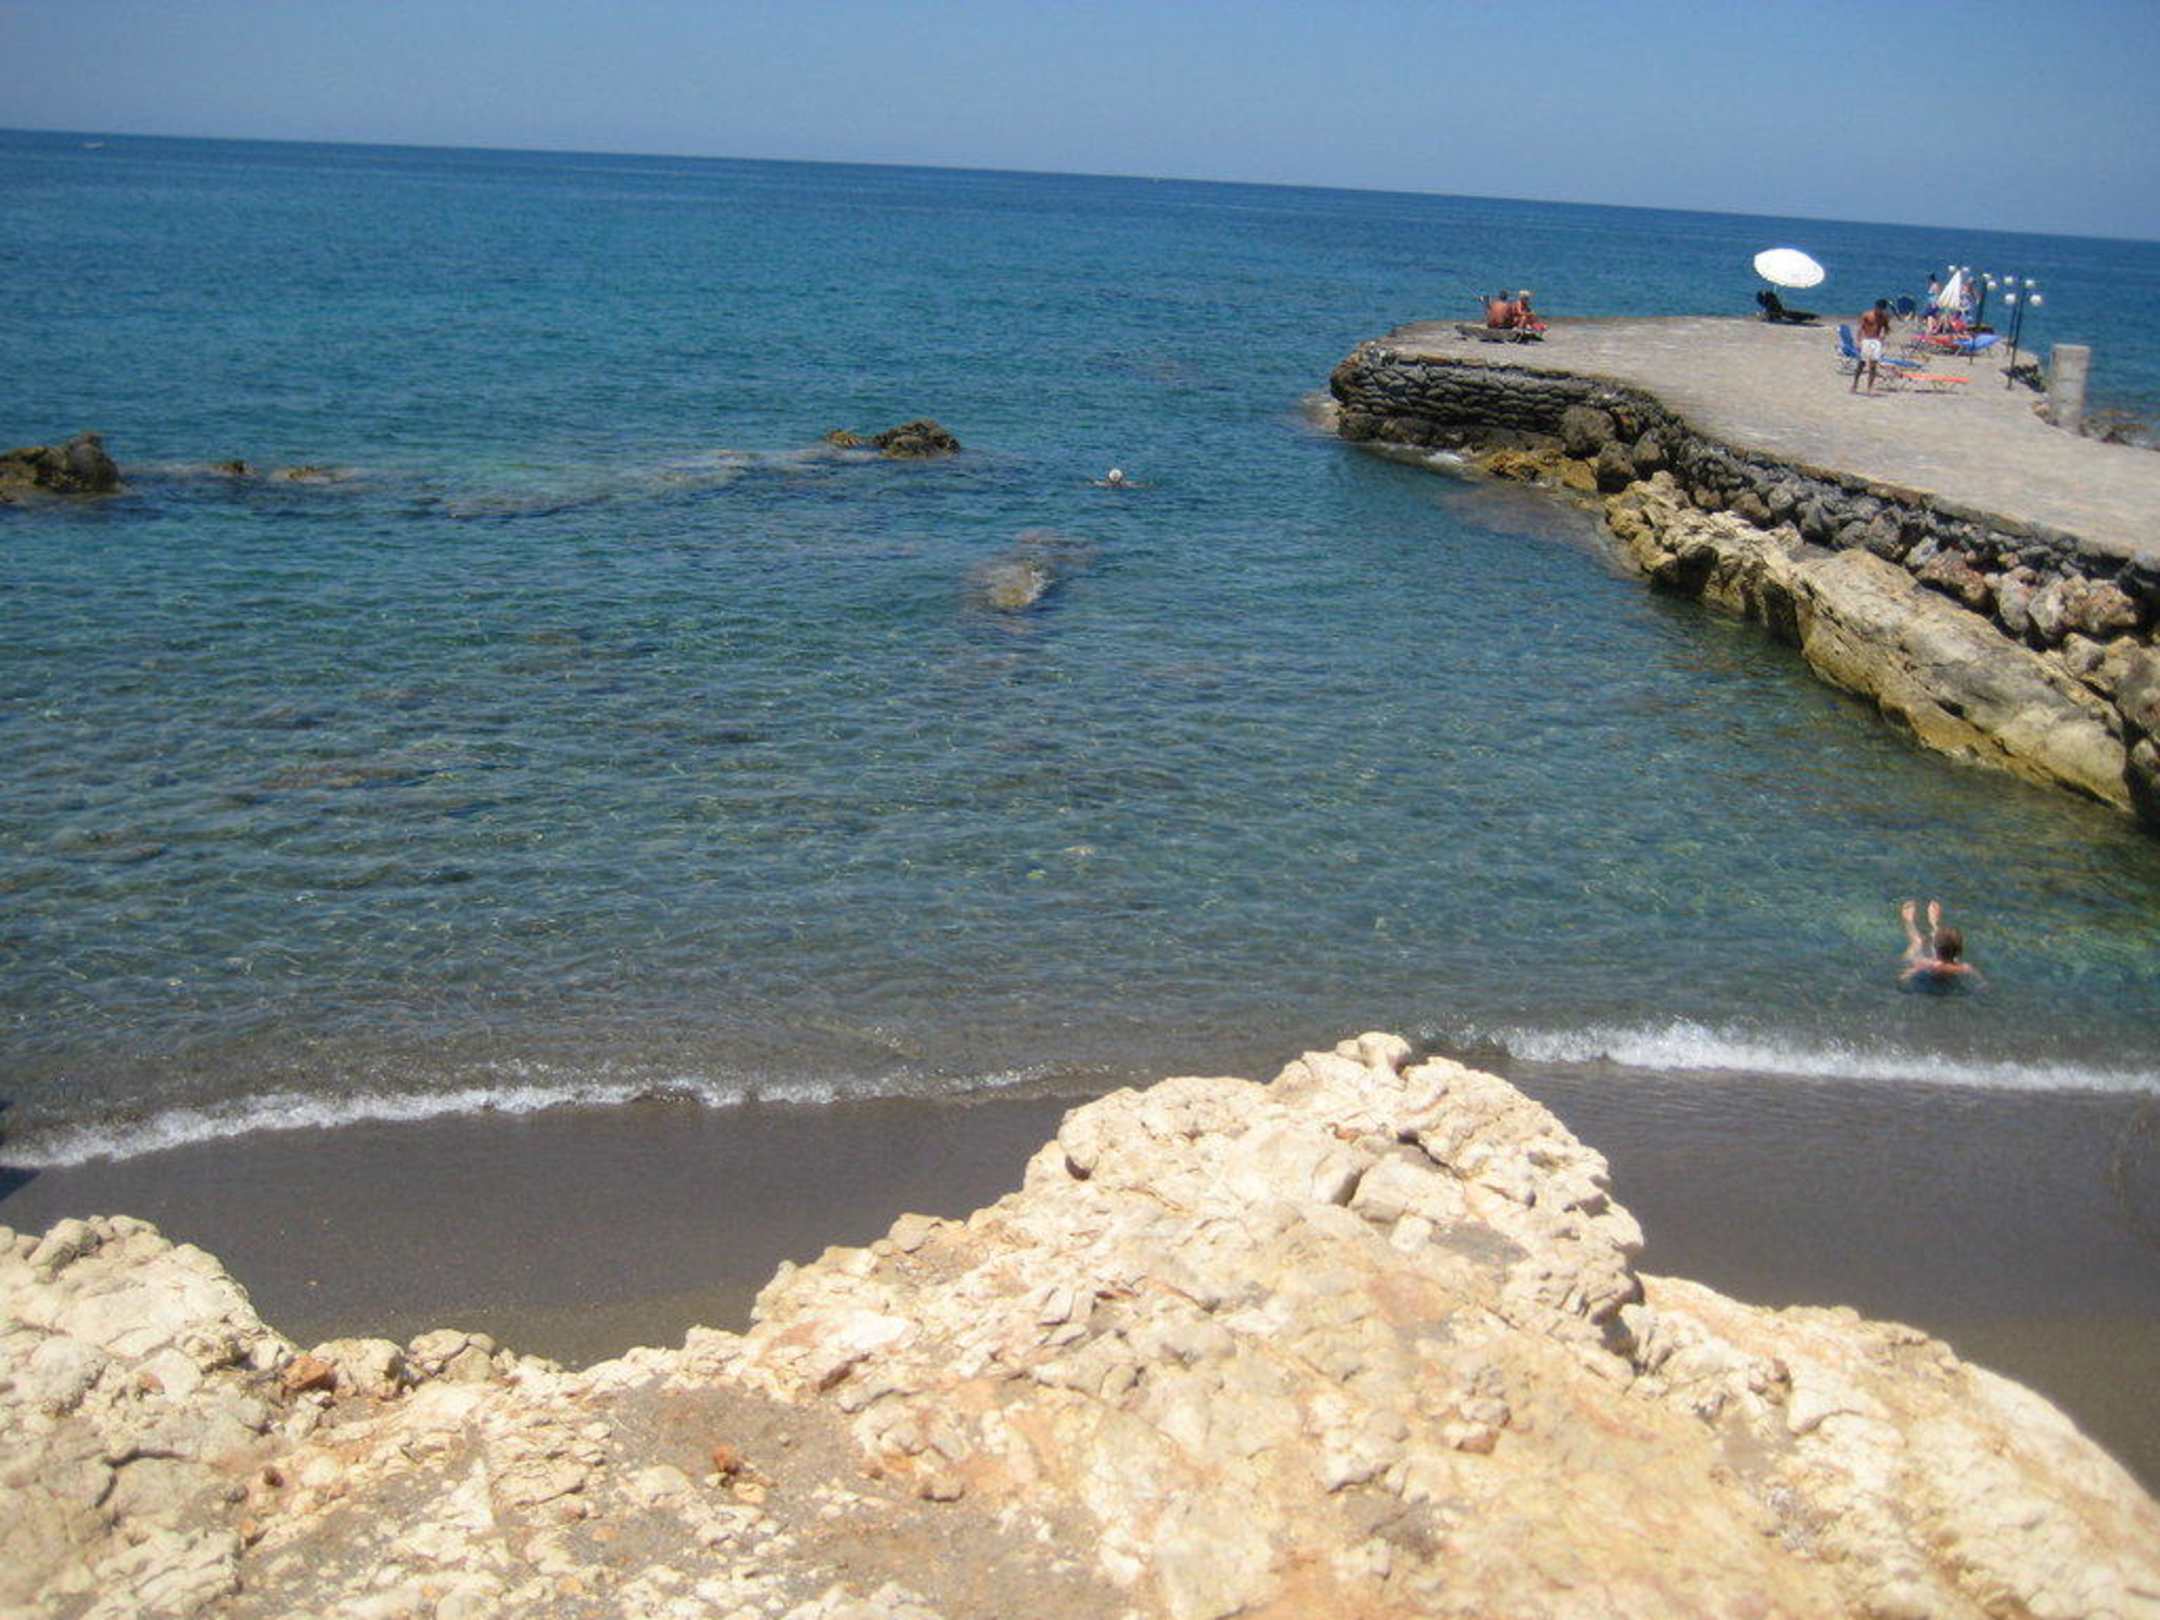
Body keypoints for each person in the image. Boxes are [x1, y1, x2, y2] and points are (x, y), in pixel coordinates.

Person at [1899, 899, 1982, 989]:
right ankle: (1934, 923)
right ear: (1960, 950)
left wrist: (1907, 974)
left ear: (1935, 949)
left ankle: (1909, 921)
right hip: (1949, 981)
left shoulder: (1929, 965)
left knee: (1917, 942)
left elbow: (1904, 977)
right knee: (1945, 945)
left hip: (1929, 980)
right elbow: (1980, 981)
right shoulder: (1964, 968)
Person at [1852, 299, 1893, 393]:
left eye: (1881, 309)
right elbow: (1860, 328)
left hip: (1876, 341)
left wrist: (1884, 336)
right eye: (1878, 309)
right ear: (1875, 307)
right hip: (1866, 339)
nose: (1879, 311)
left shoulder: (1884, 317)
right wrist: (1858, 341)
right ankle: (1855, 384)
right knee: (1861, 364)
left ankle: (1869, 387)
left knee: (1873, 366)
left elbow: (1887, 328)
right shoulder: (1867, 315)